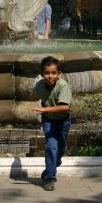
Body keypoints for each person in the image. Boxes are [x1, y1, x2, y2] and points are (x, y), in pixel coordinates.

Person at [32, 56, 72, 191]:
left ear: (58, 74)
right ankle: (50, 178)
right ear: (42, 74)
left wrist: (44, 109)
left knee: (61, 148)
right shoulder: (39, 85)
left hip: (63, 120)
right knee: (51, 147)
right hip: (49, 120)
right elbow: (34, 94)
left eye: (53, 73)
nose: (50, 76)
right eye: (47, 73)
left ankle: (54, 163)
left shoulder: (63, 86)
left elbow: (65, 107)